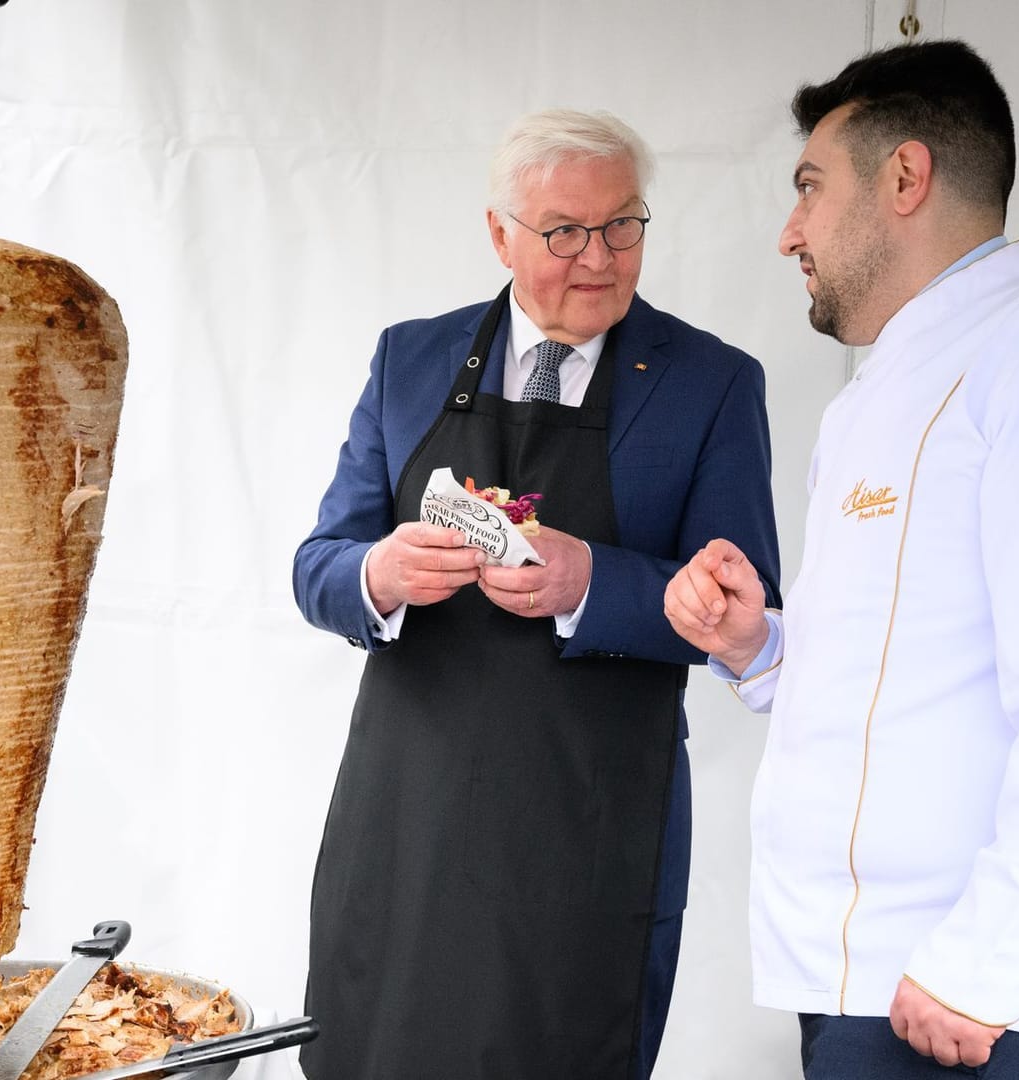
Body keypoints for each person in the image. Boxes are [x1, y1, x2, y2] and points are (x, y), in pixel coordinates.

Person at [663, 40, 1019, 1080]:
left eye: (809, 189)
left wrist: (985, 960)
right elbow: (899, 668)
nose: (789, 233)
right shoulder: (884, 391)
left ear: (906, 178)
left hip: (959, 989)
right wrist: (758, 645)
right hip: (865, 972)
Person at [293, 108, 780, 1079]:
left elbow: (745, 612)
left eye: (623, 226)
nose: (598, 257)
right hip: (409, 819)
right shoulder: (410, 360)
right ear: (499, 233)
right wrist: (379, 574)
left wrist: (590, 580)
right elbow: (319, 566)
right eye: (564, 232)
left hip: (589, 829)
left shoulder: (711, 385)